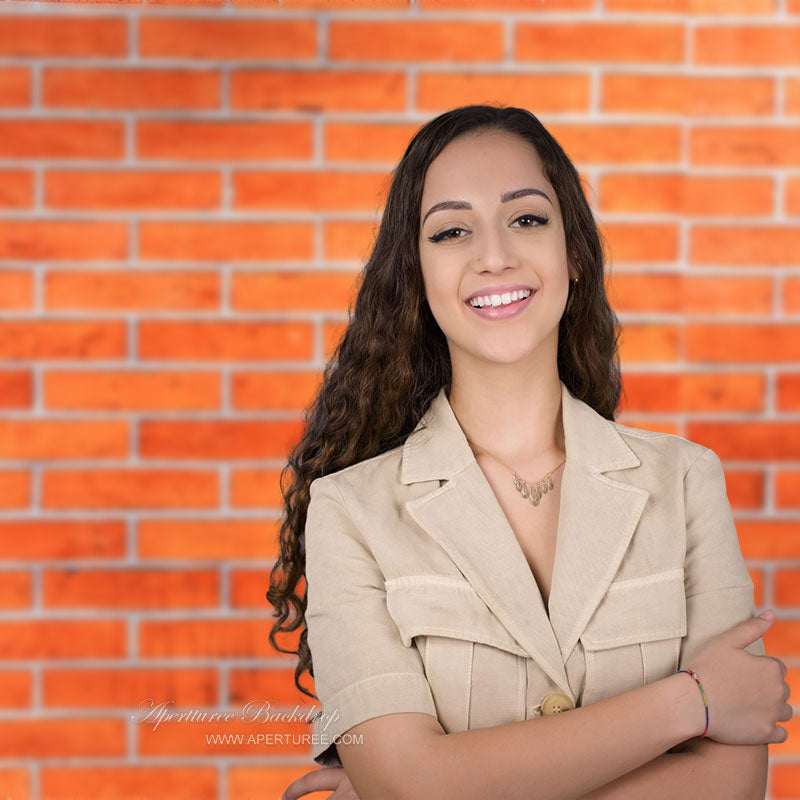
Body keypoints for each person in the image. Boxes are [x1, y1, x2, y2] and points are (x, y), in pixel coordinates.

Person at [267, 104, 792, 800]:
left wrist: (437, 783)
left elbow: (730, 787)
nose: (494, 256)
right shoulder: (349, 513)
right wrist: (689, 703)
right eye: (452, 231)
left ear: (572, 250)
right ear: (416, 275)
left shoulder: (687, 482)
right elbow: (410, 785)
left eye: (527, 218)